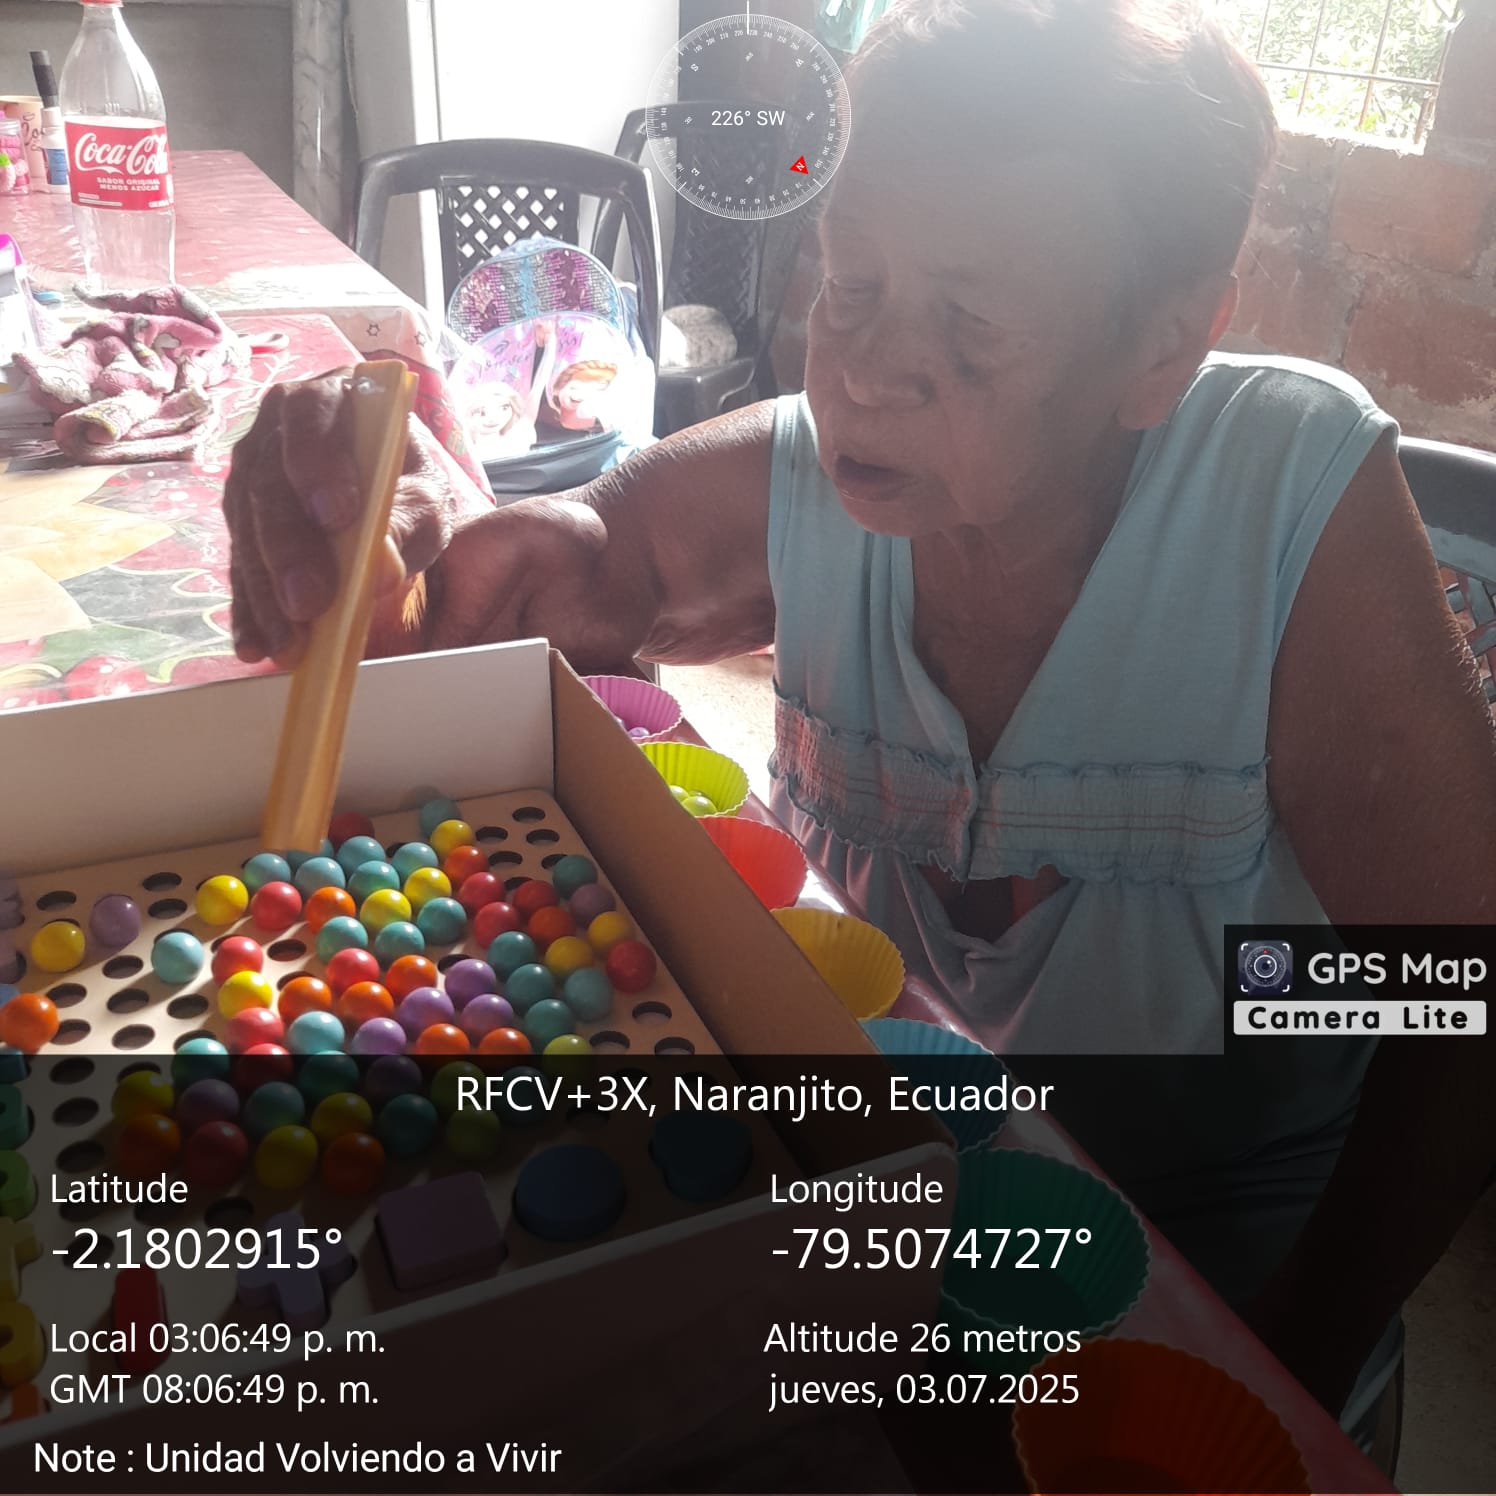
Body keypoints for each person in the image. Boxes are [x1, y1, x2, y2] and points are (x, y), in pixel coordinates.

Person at [226, 0, 1496, 1453]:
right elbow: (586, 563)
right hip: (883, 1241)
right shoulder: (823, 478)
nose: (865, 375)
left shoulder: (1281, 500)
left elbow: (1456, 999)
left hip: (1208, 1313)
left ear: (1165, 344)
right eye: (850, 285)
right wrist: (407, 505)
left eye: (969, 324)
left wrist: (1286, 1371)